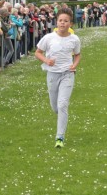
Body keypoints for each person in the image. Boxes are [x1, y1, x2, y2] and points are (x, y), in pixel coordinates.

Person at [35, 8, 81, 148]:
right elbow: (38, 52)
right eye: (60, 20)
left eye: (66, 21)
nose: (62, 23)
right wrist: (46, 61)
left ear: (70, 24)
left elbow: (77, 54)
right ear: (57, 22)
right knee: (55, 107)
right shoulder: (48, 38)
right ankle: (62, 116)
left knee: (62, 105)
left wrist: (74, 65)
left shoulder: (74, 39)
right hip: (52, 74)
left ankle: (59, 137)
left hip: (67, 74)